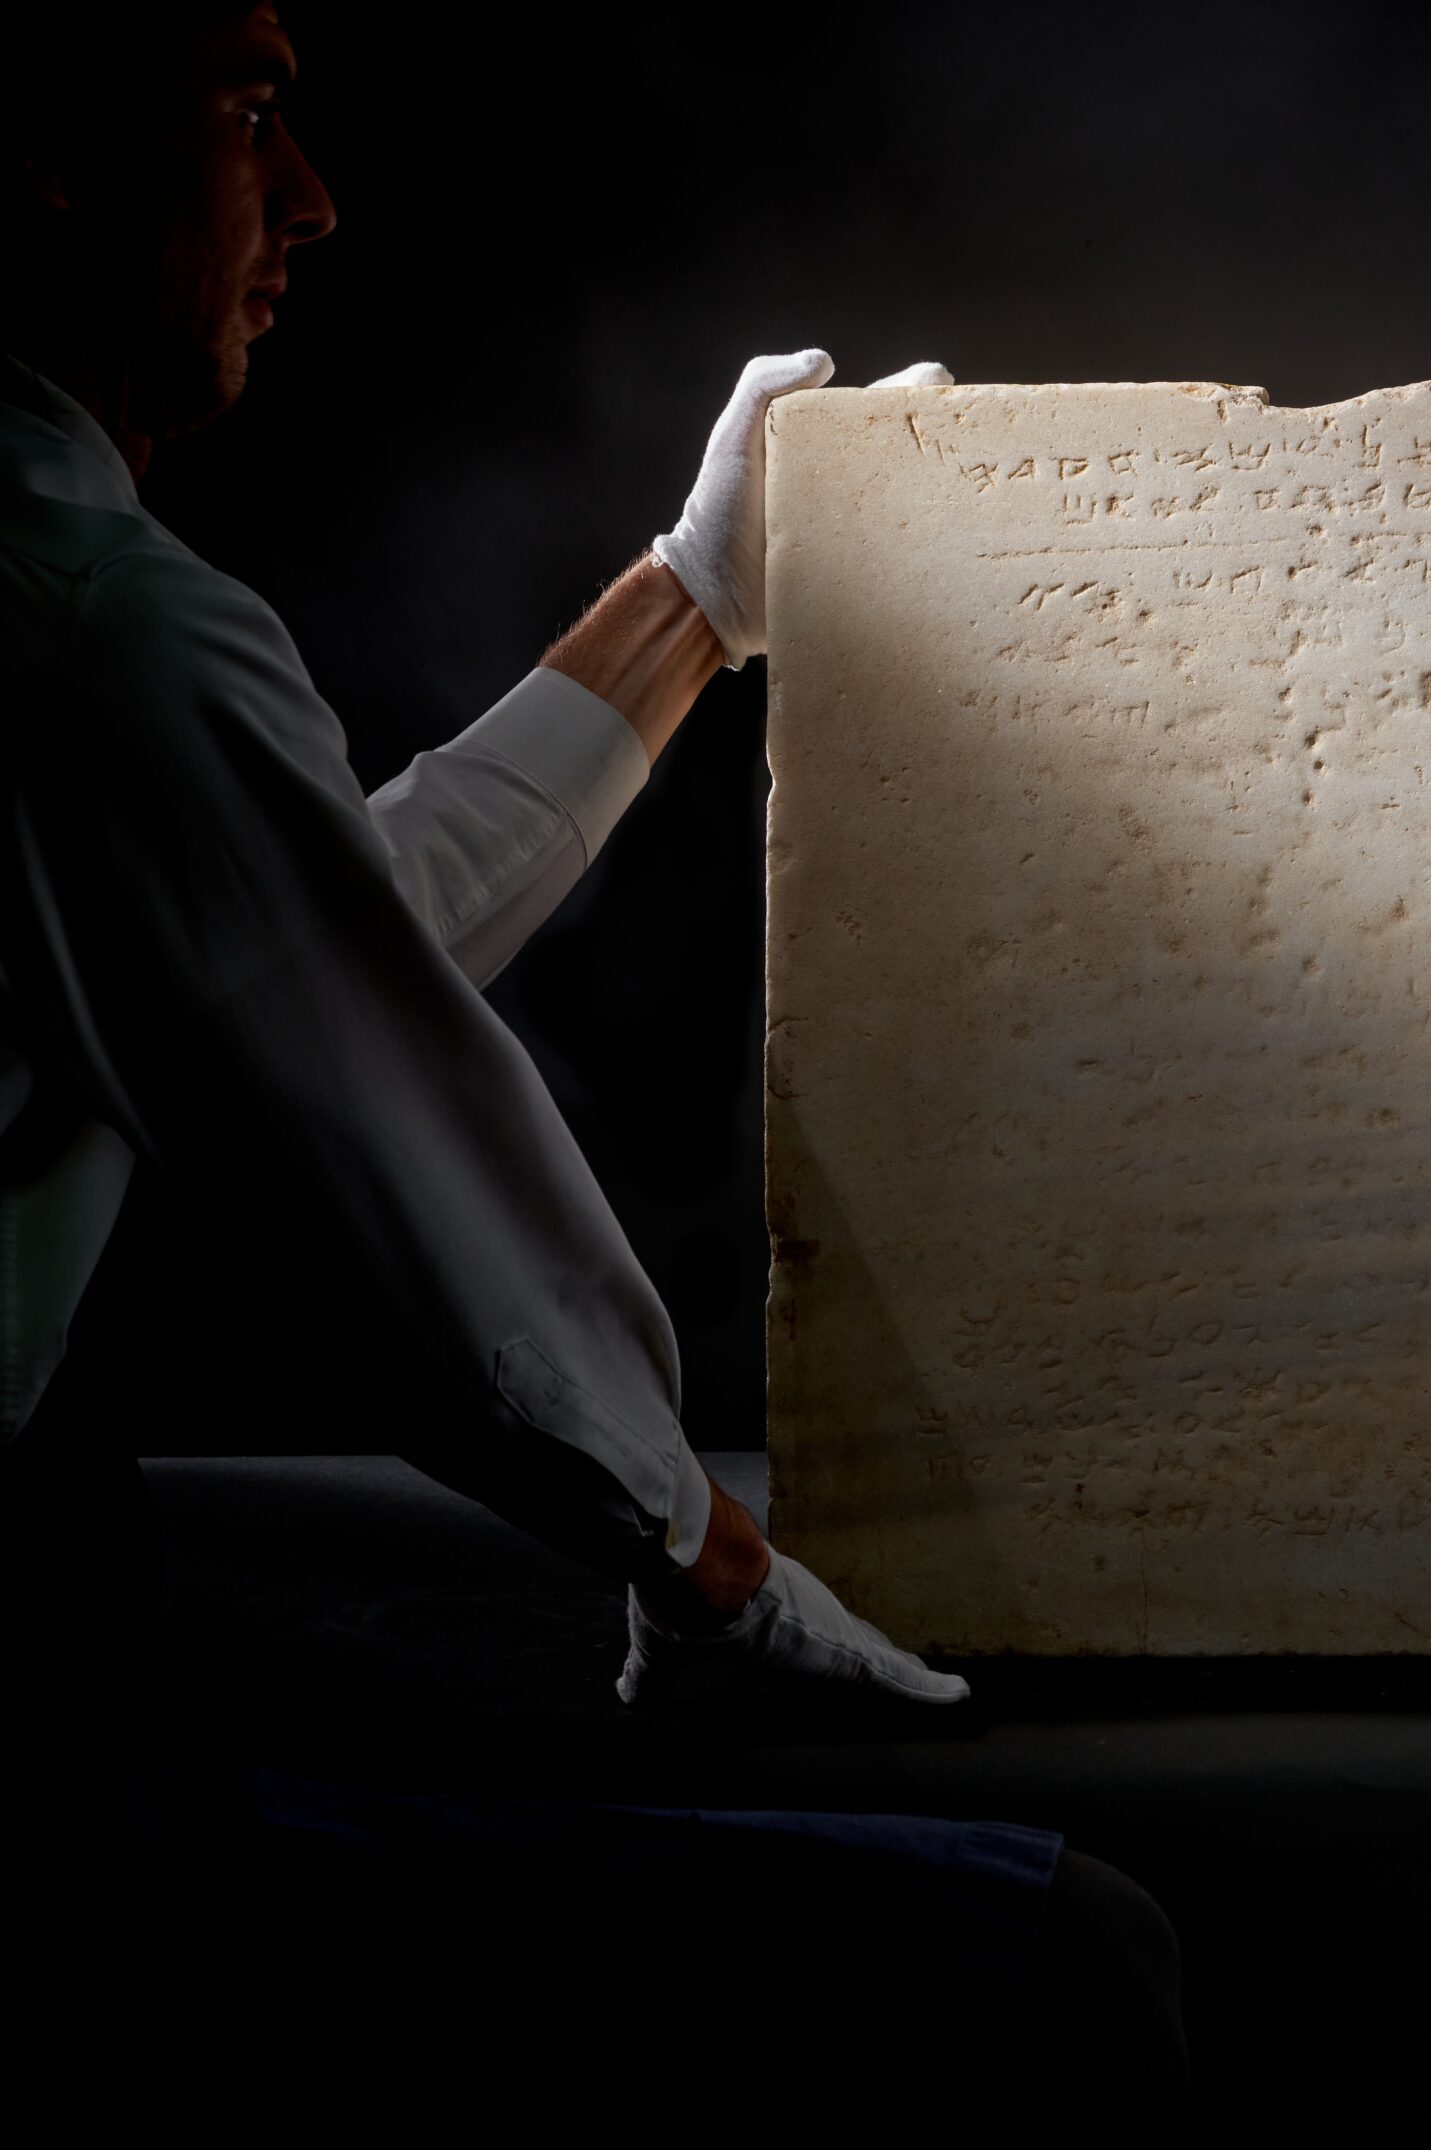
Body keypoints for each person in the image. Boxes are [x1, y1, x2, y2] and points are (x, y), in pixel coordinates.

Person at [2, 4, 1183, 2104]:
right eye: (252, 110)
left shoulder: (51, 586)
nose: (315, 198)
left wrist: (691, 595)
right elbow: (393, 1169)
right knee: (1058, 1965)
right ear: (46, 153)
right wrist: (715, 1570)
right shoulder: (88, 612)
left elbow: (306, 932)